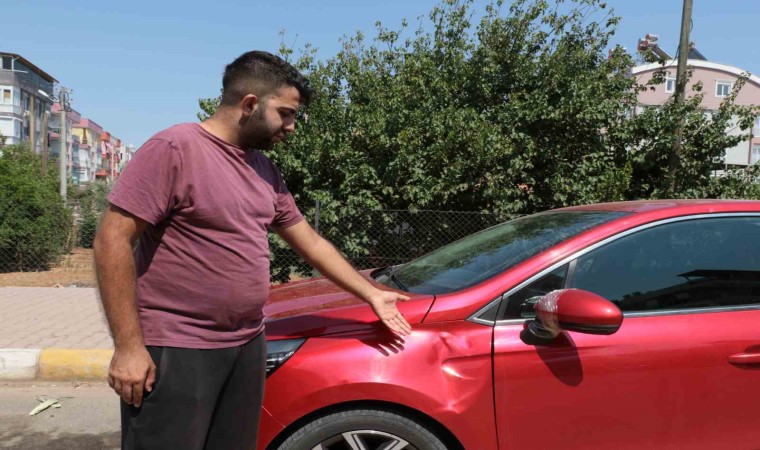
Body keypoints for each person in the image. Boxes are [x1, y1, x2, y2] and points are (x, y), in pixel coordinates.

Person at [93, 50, 412, 450]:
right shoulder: (174, 149)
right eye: (285, 114)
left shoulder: (263, 169)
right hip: (178, 345)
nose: (291, 127)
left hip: (246, 344)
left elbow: (311, 242)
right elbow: (111, 241)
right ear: (249, 104)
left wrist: (371, 293)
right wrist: (128, 347)